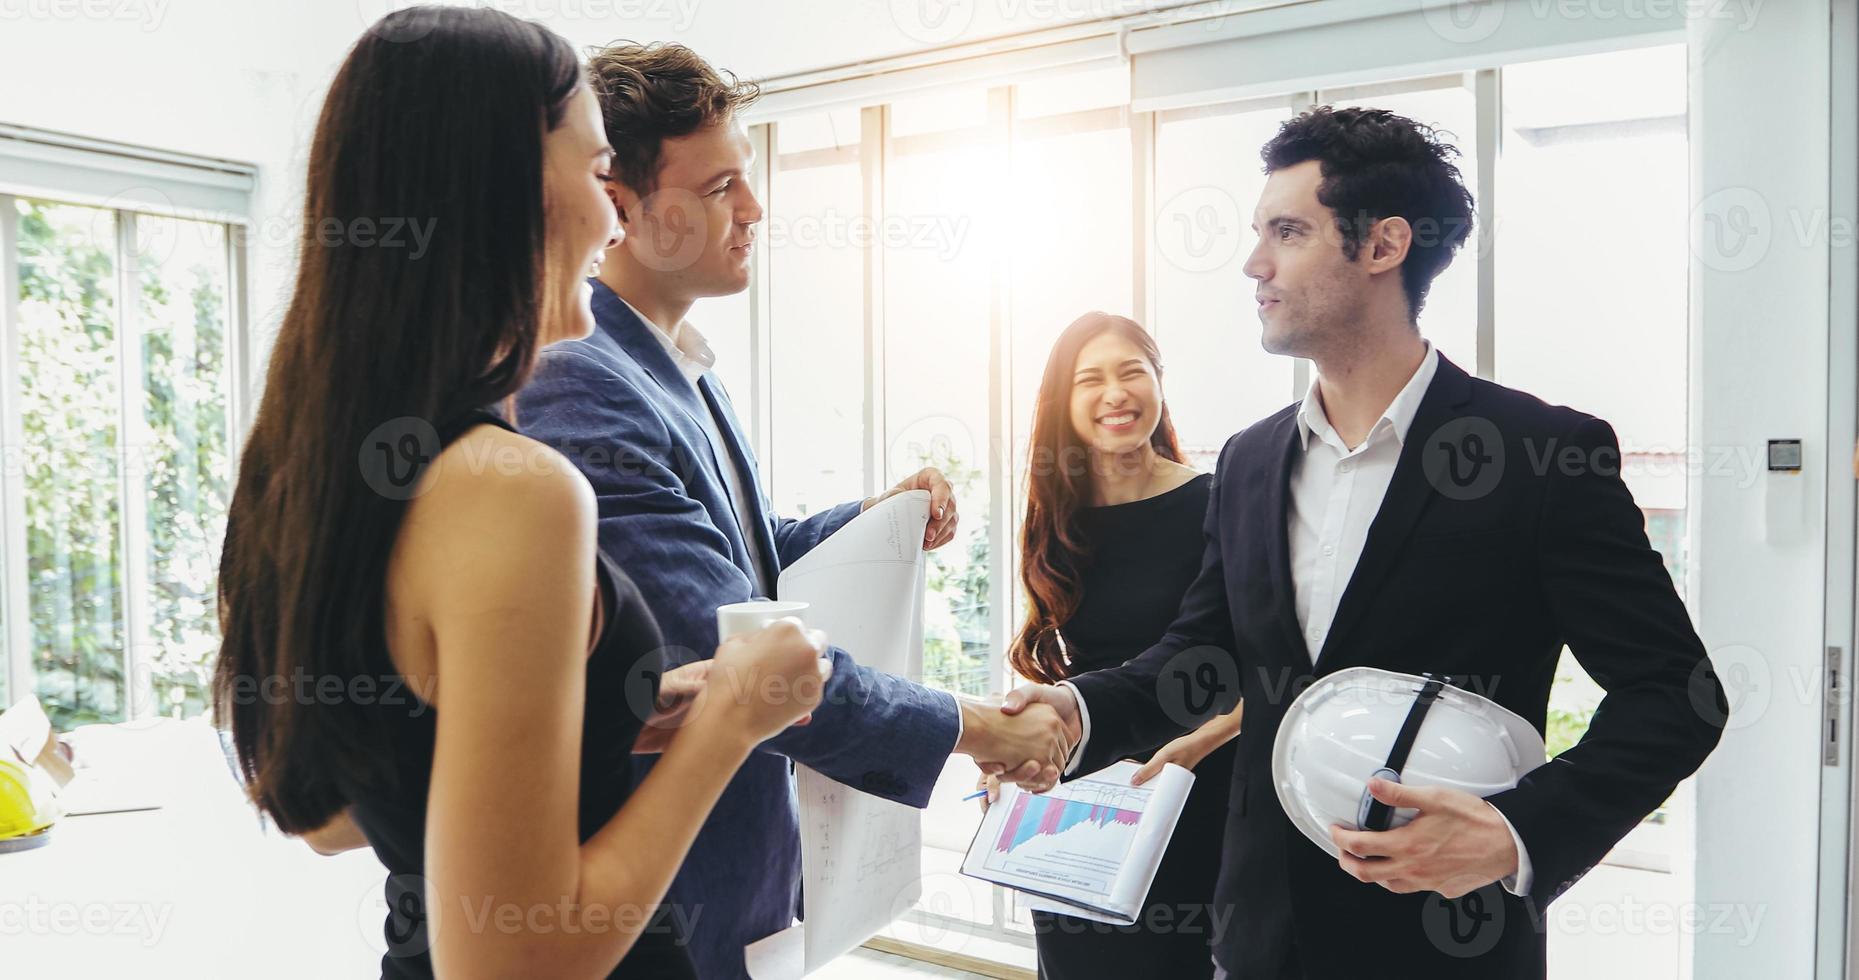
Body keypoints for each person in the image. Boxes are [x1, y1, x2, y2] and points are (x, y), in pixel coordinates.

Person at [994, 106, 1728, 978]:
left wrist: (1518, 831)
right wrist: (1075, 708)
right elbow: (1202, 653)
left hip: (1444, 943)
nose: (1253, 263)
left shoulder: (1542, 455)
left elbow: (1673, 693)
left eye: (1287, 232)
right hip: (1259, 935)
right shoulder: (1251, 459)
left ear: (1381, 246)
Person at [211, 9, 829, 977]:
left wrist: (599, 714)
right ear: (506, 197)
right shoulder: (518, 494)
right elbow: (515, 960)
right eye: (594, 176)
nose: (613, 218)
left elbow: (333, 816)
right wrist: (728, 721)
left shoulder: (301, 468)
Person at [513, 41, 1072, 978]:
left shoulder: (677, 366)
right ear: (621, 208)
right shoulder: (582, 385)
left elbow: (742, 557)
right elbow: (738, 655)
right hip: (661, 909)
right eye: (723, 185)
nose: (756, 210)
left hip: (739, 889)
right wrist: (982, 726)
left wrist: (869, 518)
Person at [994, 312, 1242, 979]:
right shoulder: (1059, 517)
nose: (1115, 394)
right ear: (1063, 403)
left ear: (1158, 385)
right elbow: (1069, 670)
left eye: (1132, 372)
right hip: (1091, 789)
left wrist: (1187, 750)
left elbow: (1270, 663)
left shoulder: (1217, 502)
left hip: (1199, 783)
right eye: (1090, 379)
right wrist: (1016, 751)